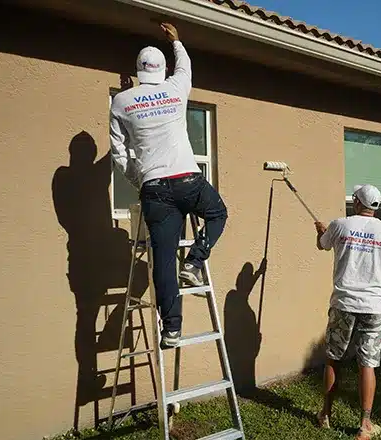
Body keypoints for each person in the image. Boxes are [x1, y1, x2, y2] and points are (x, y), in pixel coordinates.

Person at [109, 22, 228, 348]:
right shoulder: (176, 89)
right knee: (217, 213)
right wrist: (176, 41)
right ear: (162, 70)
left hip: (155, 190)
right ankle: (194, 261)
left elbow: (119, 152)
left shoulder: (121, 102)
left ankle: (171, 330)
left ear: (137, 72)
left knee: (161, 259)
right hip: (188, 180)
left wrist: (139, 178)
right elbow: (186, 66)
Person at [314, 184, 381, 440]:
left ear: (356, 202)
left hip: (343, 304)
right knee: (368, 364)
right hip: (373, 307)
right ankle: (365, 425)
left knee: (334, 358)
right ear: (374, 206)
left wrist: (321, 233)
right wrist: (380, 279)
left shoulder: (339, 225)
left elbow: (322, 245)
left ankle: (325, 415)